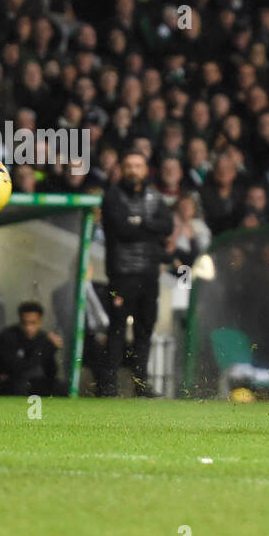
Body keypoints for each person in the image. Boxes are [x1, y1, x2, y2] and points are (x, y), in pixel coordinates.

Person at [102, 151, 172, 396]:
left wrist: (139, 222)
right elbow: (120, 229)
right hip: (121, 274)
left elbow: (168, 226)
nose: (134, 170)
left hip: (149, 275)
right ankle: (108, 385)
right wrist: (149, 227)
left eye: (138, 166)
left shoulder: (154, 196)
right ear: (121, 168)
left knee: (145, 329)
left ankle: (140, 384)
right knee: (117, 329)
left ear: (146, 169)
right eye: (129, 165)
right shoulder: (112, 195)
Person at [0, 300, 65, 396]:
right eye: (25, 323)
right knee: (19, 385)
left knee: (59, 387)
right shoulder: (8, 337)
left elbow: (50, 373)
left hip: (24, 382)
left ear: (40, 322)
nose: (28, 327)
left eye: (33, 323)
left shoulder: (43, 339)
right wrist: (50, 349)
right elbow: (18, 369)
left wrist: (51, 351)